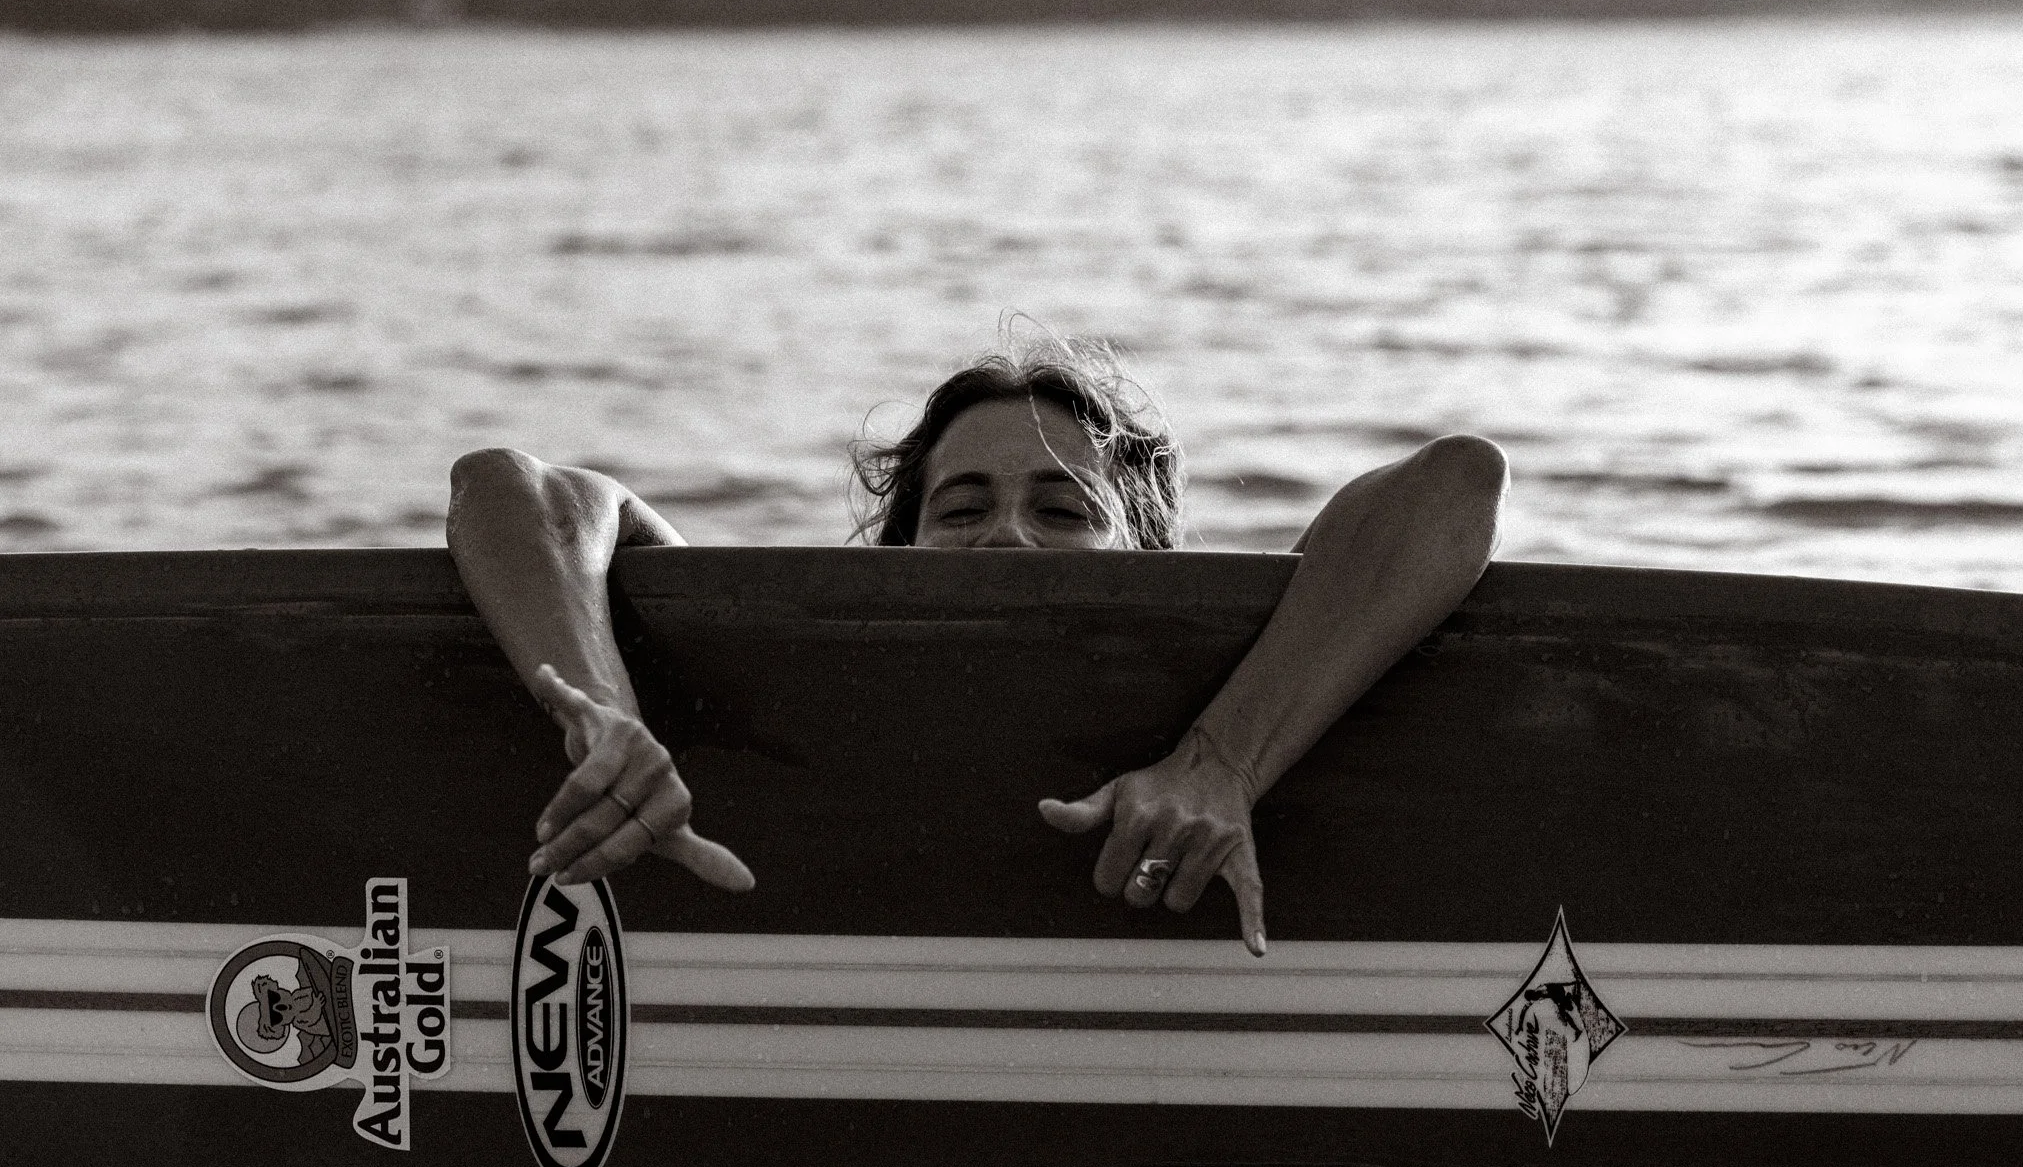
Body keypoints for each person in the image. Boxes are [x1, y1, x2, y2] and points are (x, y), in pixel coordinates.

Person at [445, 337, 1507, 956]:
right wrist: (608, 714)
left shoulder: (1253, 661)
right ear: (893, 547)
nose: (1007, 532)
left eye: (1061, 506)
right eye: (961, 508)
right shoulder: (791, 669)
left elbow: (1453, 484)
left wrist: (1220, 761)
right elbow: (519, 488)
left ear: (1149, 549)